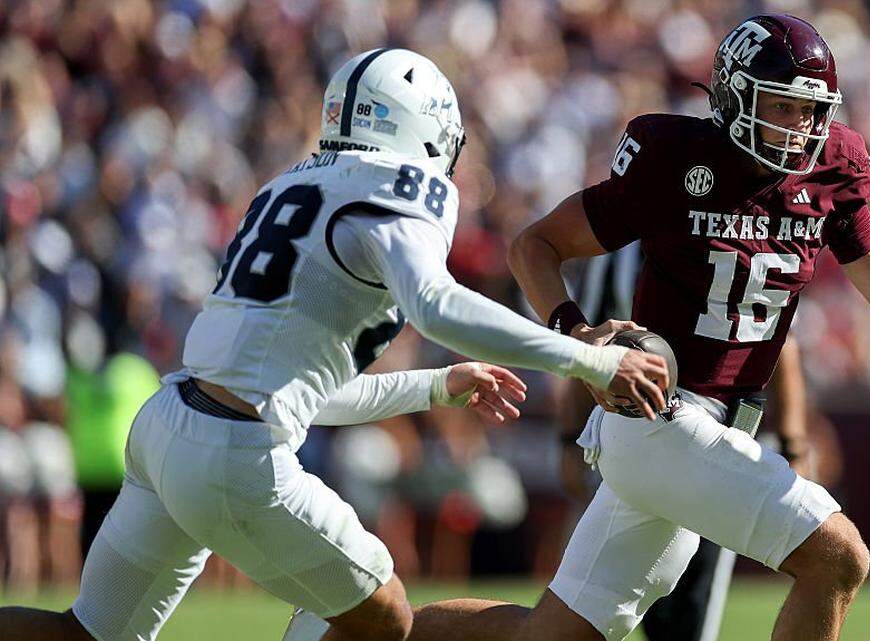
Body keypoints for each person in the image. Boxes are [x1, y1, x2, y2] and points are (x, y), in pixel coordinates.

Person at [0, 47, 669, 641]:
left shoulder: (290, 183)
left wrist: (436, 385)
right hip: (236, 452)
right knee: (383, 616)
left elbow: (300, 391)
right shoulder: (402, 185)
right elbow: (435, 305)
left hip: (170, 421)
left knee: (83, 632)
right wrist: (589, 354)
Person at [409, 13, 870, 641]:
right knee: (838, 557)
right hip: (660, 417)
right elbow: (533, 245)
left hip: (713, 428)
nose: (803, 127)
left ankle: (369, 628)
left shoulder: (831, 169)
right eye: (785, 106)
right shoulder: (674, 157)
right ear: (735, 95)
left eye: (812, 110)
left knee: (548, 636)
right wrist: (576, 337)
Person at [561, 245, 816, 641]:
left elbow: (782, 344)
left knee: (692, 604)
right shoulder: (614, 254)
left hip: (720, 444)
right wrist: (568, 440)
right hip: (638, 438)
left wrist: (793, 442)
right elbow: (586, 349)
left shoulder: (732, 236)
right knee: (603, 616)